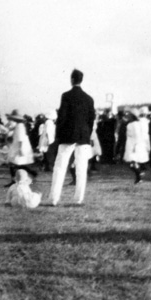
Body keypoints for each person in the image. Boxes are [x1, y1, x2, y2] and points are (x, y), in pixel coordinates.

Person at [49, 69, 95, 206]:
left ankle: (54, 198)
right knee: (82, 168)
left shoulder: (66, 96)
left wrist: (58, 136)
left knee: (60, 167)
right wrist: (87, 134)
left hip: (68, 136)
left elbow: (62, 117)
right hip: (83, 136)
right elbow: (91, 120)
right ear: (82, 79)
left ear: (72, 79)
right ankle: (78, 199)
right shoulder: (89, 99)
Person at [125, 108, 151, 183]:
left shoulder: (133, 125)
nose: (128, 117)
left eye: (129, 115)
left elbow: (135, 136)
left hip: (134, 145)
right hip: (134, 144)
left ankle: (139, 176)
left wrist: (134, 146)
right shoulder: (133, 124)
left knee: (133, 162)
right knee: (133, 162)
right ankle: (139, 175)